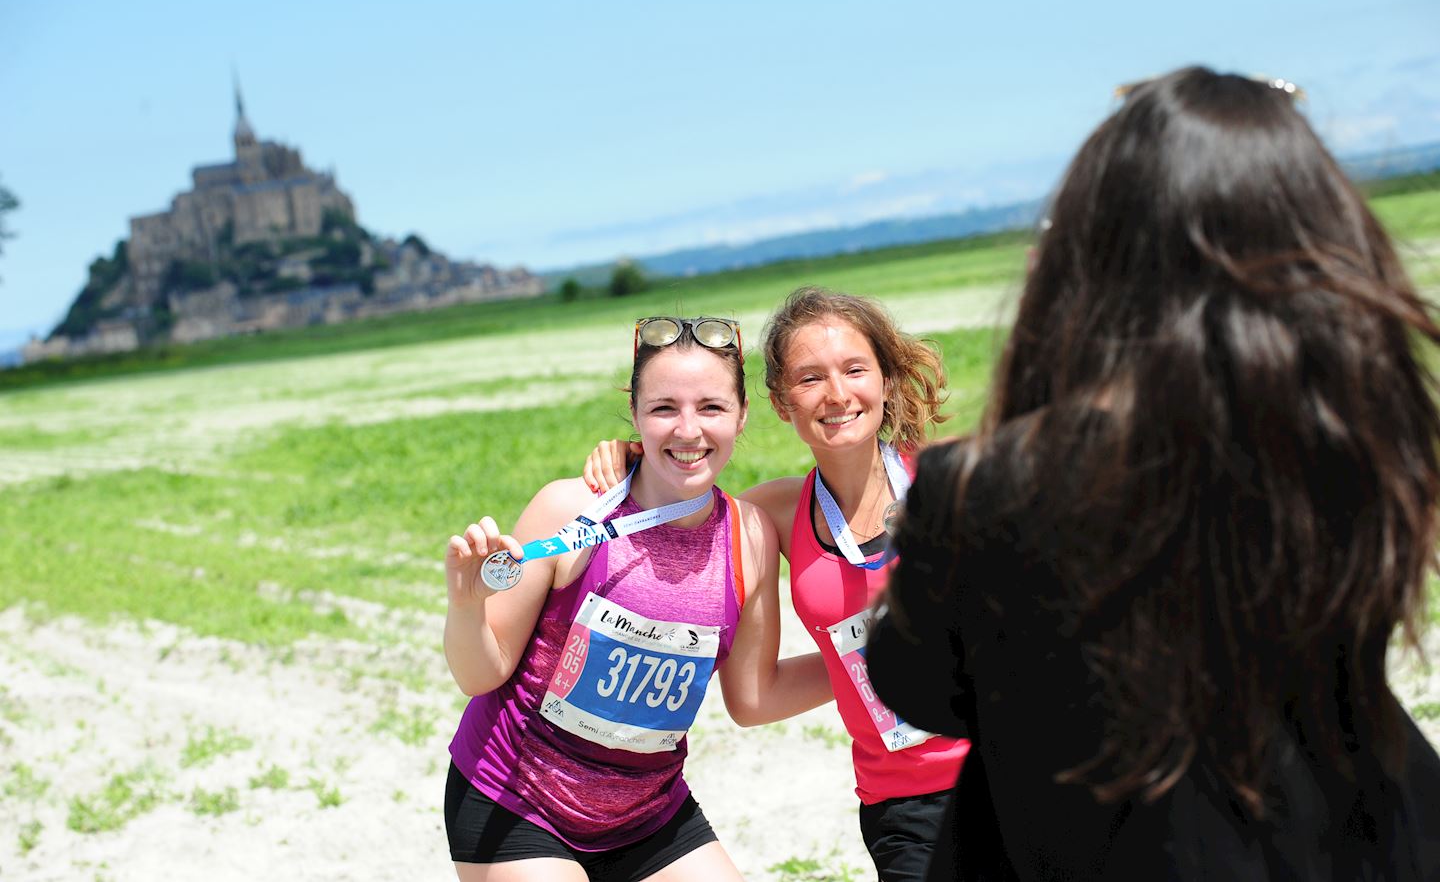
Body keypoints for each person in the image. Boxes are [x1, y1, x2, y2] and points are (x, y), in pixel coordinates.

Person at [868, 66, 1440, 880]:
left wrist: (1042, 396)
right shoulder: (1356, 440)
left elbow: (922, 687)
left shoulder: (995, 484)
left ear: (1091, 253)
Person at [586, 289, 969, 881]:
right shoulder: (773, 514)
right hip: (904, 804)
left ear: (887, 382)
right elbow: (754, 696)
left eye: (854, 370)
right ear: (781, 402)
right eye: (810, 378)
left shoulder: (954, 476)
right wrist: (638, 454)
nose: (836, 394)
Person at [444, 315, 833, 882]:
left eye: (712, 408)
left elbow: (754, 697)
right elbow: (481, 673)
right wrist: (466, 604)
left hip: (649, 817)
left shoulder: (750, 538)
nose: (688, 430)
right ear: (635, 413)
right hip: (516, 802)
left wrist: (863, 658)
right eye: (664, 408)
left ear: (742, 414)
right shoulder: (571, 509)